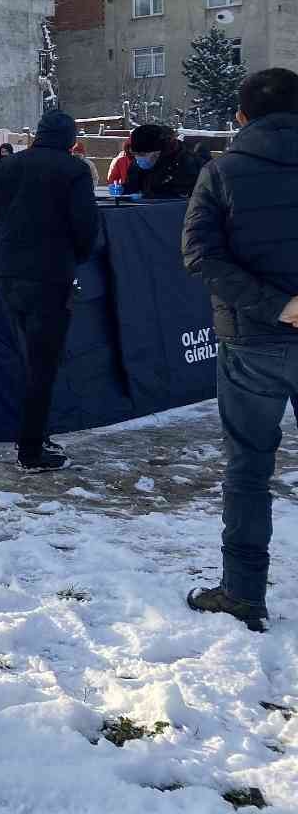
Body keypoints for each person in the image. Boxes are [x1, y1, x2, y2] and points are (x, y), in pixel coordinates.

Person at [181, 67, 298, 633]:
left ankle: (243, 592)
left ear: (242, 118)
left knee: (248, 468)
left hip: (252, 341)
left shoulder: (221, 170)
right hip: (259, 334)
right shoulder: (219, 170)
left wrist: (278, 305)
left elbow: (200, 255)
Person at [0, 110, 100, 470]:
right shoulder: (73, 169)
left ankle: (33, 434)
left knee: (28, 358)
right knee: (43, 364)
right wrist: (74, 257)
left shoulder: (7, 166)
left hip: (10, 272)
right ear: (69, 138)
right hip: (50, 275)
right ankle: (31, 450)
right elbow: (85, 225)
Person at [122, 123, 202, 199]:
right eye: (135, 154)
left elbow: (182, 195)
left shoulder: (186, 163)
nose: (138, 158)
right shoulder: (137, 164)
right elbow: (131, 187)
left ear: (159, 152)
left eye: (142, 154)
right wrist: (122, 190)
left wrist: (150, 194)